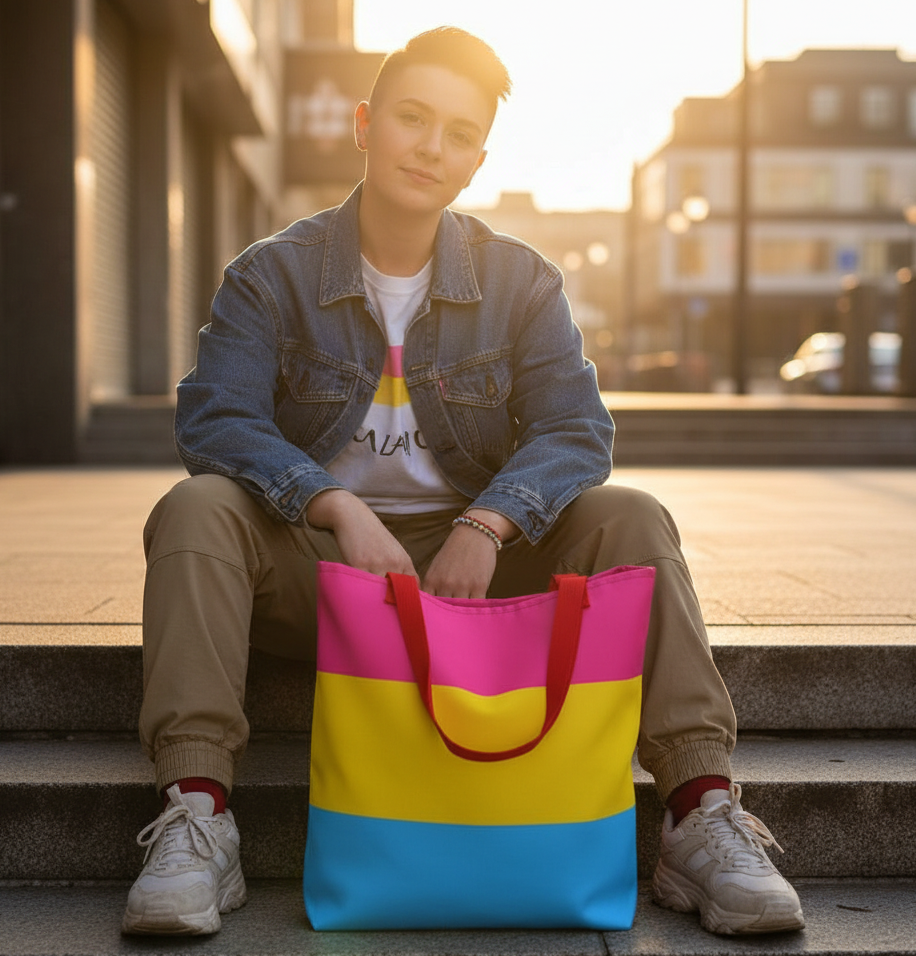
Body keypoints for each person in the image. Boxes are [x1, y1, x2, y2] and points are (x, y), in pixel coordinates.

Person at [122, 26, 804, 939]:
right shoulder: (270, 276)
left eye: (457, 131)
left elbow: (576, 429)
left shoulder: (521, 282)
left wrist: (487, 526)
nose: (430, 146)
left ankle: (699, 814)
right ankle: (199, 817)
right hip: (324, 573)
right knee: (194, 508)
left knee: (631, 517)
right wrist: (335, 508)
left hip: (475, 573)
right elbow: (215, 419)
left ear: (478, 157)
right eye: (411, 118)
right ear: (366, 124)